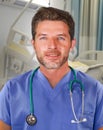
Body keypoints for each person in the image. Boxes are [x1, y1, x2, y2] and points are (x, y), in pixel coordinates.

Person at [0, 6, 103, 130]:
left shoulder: (95, 91)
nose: (52, 46)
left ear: (72, 44)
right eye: (43, 38)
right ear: (34, 44)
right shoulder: (12, 90)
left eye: (61, 38)